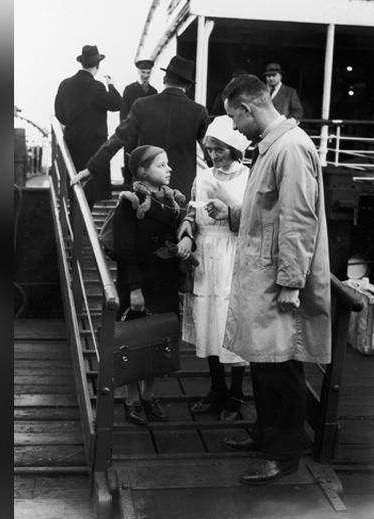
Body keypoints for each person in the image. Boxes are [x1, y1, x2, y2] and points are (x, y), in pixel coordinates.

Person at [206, 74, 331, 485]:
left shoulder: (291, 149)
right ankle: (265, 435)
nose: (235, 128)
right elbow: (268, 212)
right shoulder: (273, 148)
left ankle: (283, 454)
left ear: (248, 107)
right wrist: (234, 215)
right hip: (264, 277)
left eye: (234, 118)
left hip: (279, 283)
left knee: (281, 366)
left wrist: (293, 282)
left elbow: (298, 219)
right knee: (264, 361)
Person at [177, 116, 252, 421]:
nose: (213, 155)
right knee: (208, 322)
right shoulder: (203, 177)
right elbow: (191, 212)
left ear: (234, 148)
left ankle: (236, 394)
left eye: (218, 149)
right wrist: (186, 229)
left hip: (233, 253)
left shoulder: (250, 177)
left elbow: (255, 220)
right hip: (206, 256)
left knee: (230, 323)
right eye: (209, 149)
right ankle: (216, 389)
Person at [112, 145, 189, 425]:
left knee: (158, 339)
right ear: (143, 171)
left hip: (164, 281)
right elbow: (124, 249)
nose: (169, 169)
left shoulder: (172, 201)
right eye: (161, 165)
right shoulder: (130, 202)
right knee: (133, 340)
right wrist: (134, 289)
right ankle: (132, 398)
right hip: (140, 282)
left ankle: (149, 394)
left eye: (168, 164)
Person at [71, 55, 209, 201]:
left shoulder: (142, 105)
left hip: (146, 190)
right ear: (188, 86)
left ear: (164, 79)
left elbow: (118, 138)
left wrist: (91, 169)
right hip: (182, 193)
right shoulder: (199, 112)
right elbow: (209, 150)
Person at [54, 45, 121, 209]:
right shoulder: (96, 86)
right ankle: (83, 230)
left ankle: (76, 226)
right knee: (89, 193)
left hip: (72, 145)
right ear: (98, 65)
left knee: (74, 187)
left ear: (82, 63)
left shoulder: (65, 84)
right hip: (94, 148)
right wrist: (111, 85)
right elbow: (116, 103)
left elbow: (60, 114)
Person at [118, 59, 158, 183]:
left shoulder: (153, 91)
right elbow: (123, 113)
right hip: (131, 135)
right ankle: (127, 188)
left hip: (146, 135)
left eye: (148, 72)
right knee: (130, 163)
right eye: (143, 72)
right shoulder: (129, 90)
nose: (146, 75)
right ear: (138, 72)